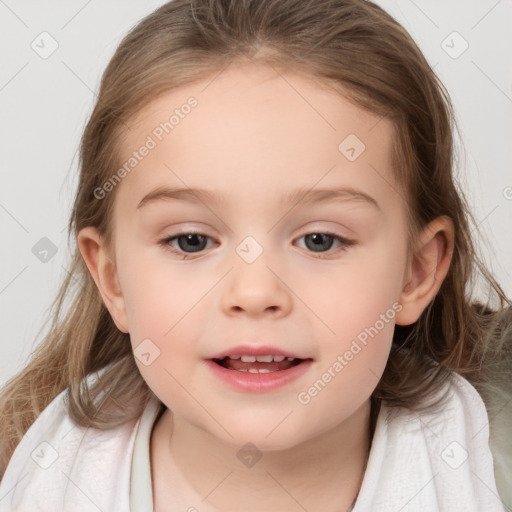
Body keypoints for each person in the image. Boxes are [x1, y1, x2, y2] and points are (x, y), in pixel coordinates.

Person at [0, 0, 510, 510]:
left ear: (415, 273)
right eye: (191, 241)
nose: (255, 292)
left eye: (320, 240)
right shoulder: (31, 479)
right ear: (112, 279)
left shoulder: (489, 472)